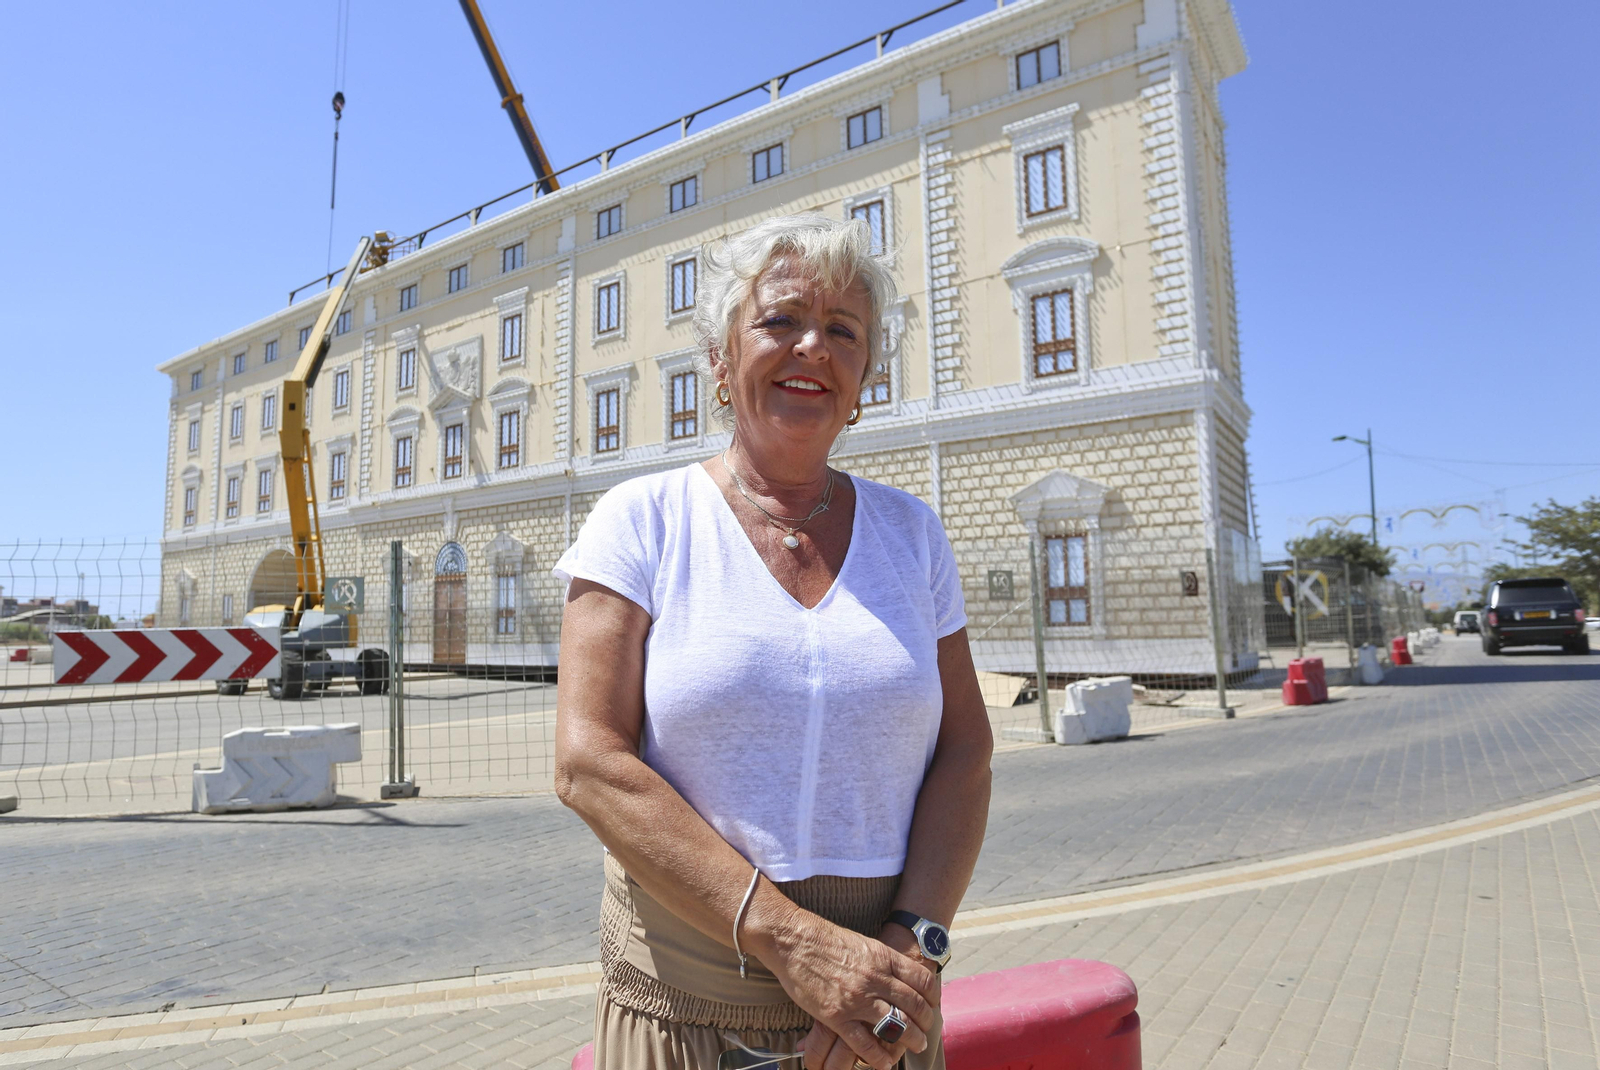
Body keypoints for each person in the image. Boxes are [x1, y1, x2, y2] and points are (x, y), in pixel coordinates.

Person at [554, 214, 993, 1070]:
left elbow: (966, 749)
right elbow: (587, 762)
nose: (811, 348)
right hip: (684, 1022)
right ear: (720, 362)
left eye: (842, 332)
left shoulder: (914, 537)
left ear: (866, 375)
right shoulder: (641, 522)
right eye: (780, 321)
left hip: (877, 1018)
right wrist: (793, 943)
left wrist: (914, 948)